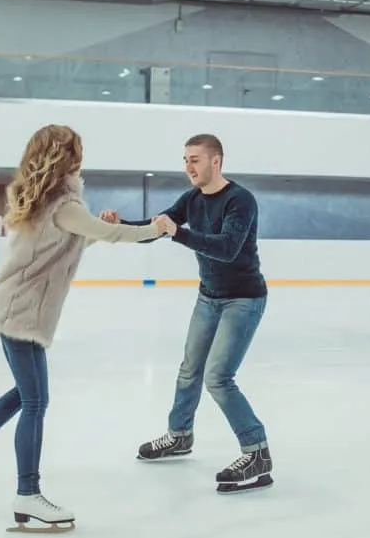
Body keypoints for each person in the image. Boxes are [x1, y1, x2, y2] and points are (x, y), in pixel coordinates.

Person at [0, 124, 164, 532]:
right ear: (67, 156)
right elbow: (109, 232)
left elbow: (66, 241)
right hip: (23, 311)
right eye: (77, 151)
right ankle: (27, 495)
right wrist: (153, 229)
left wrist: (95, 228)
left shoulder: (44, 200)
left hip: (15, 307)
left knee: (27, 395)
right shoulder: (63, 203)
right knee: (35, 401)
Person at [99, 133, 272, 494]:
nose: (188, 167)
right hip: (209, 297)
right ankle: (180, 436)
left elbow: (227, 248)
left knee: (218, 378)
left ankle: (257, 453)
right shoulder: (191, 200)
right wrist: (119, 225)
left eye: (195, 159)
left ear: (216, 162)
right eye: (185, 159)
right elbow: (156, 228)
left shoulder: (241, 200)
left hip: (243, 298)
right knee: (188, 370)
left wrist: (177, 233)